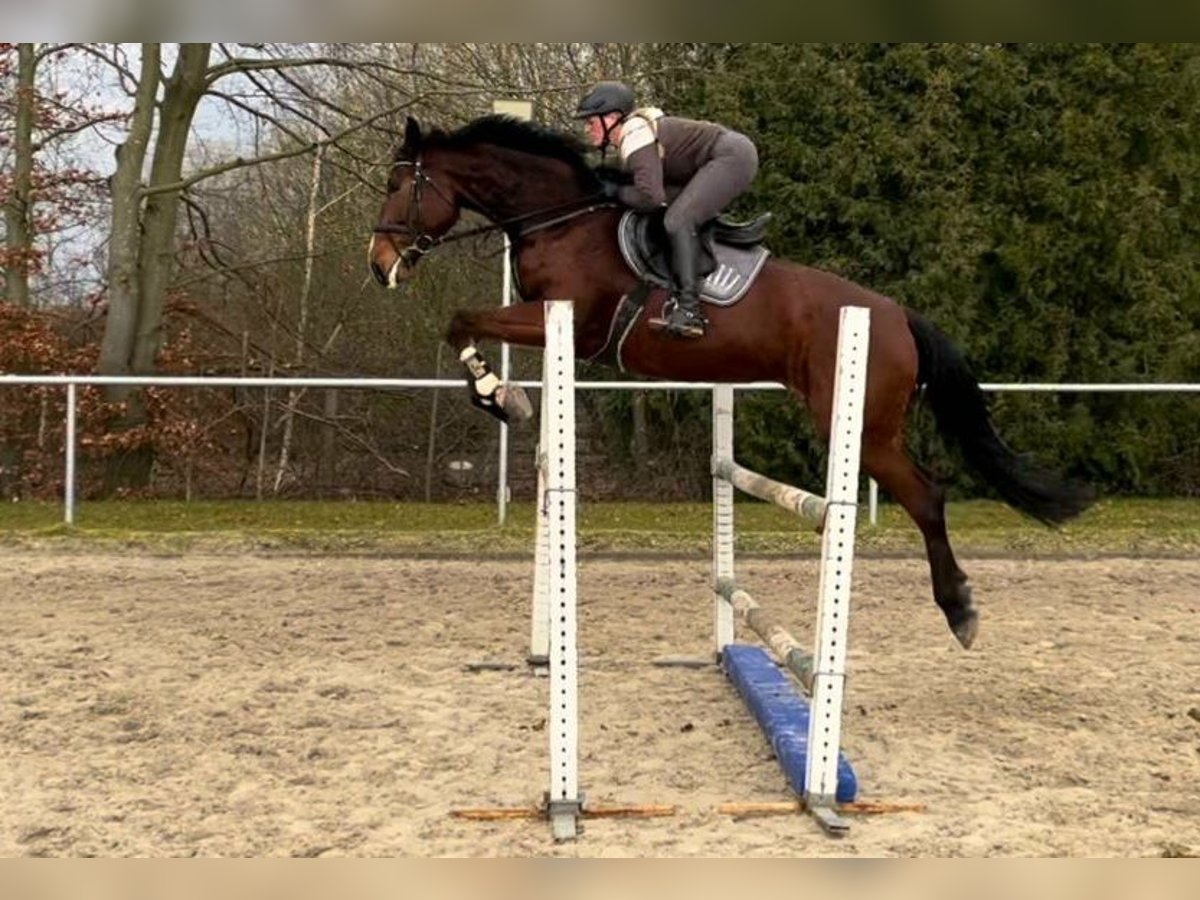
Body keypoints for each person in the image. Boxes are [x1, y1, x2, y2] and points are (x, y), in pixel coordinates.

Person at [574, 81, 759, 339]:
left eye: (591, 121)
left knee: (677, 220)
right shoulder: (634, 136)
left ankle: (690, 310)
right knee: (672, 214)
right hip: (718, 157)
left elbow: (650, 197)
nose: (587, 128)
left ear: (612, 118)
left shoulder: (634, 134)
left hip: (732, 157)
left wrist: (613, 191)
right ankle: (692, 274)